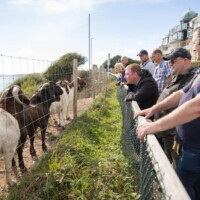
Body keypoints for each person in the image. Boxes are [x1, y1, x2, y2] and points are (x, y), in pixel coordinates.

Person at [135, 54, 200, 199]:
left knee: (180, 187)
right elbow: (181, 93)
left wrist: (154, 126)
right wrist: (154, 109)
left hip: (196, 150)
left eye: (196, 41)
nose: (194, 46)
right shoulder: (198, 73)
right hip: (189, 145)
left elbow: (196, 106)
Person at [154, 48, 198, 166]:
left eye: (173, 61)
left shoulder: (193, 78)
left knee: (177, 170)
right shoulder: (177, 76)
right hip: (165, 132)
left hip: (176, 136)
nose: (170, 64)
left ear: (184, 60)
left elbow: (191, 107)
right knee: (167, 163)